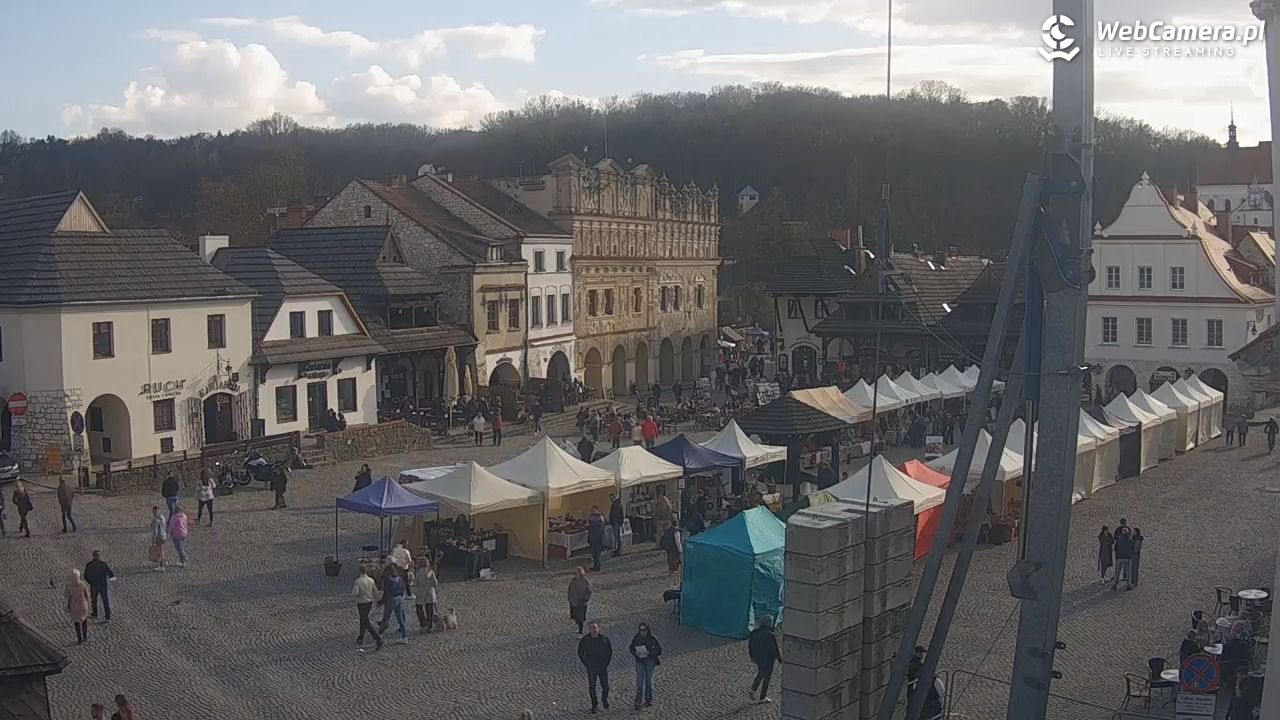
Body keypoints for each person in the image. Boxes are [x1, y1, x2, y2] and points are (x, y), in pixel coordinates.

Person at [577, 621, 613, 714]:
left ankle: (604, 700)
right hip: (591, 666)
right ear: (589, 629)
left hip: (602, 666)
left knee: (605, 686)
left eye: (595, 628)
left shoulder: (604, 639)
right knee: (592, 686)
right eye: (592, 628)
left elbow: (609, 652)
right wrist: (586, 663)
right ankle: (594, 704)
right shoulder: (585, 640)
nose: (594, 630)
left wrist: (606, 662)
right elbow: (581, 652)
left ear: (598, 628)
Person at [628, 622, 662, 710]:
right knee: (640, 683)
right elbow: (631, 647)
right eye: (640, 630)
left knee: (648, 682)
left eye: (644, 630)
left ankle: (648, 700)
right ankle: (638, 702)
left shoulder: (652, 638)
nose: (642, 632)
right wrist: (635, 652)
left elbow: (659, 650)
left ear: (647, 630)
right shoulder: (637, 637)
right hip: (639, 661)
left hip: (649, 661)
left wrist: (650, 652)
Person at [748, 616, 781, 704]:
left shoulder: (754, 632)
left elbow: (750, 645)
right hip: (768, 659)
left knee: (761, 672)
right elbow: (775, 649)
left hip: (758, 657)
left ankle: (753, 689)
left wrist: (752, 656)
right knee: (767, 677)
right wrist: (780, 659)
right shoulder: (770, 635)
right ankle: (762, 696)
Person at [352, 566, 383, 651]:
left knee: (365, 622)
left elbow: (355, 593)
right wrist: (378, 600)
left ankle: (378, 639)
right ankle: (361, 637)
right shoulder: (371, 580)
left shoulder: (358, 581)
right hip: (369, 602)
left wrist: (356, 597)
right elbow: (375, 592)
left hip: (361, 603)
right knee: (363, 619)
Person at [376, 564, 409, 644]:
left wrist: (380, 602)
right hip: (399, 598)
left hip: (391, 599)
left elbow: (386, 593)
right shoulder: (399, 579)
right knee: (400, 618)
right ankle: (404, 637)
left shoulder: (388, 580)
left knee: (386, 618)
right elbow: (402, 590)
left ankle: (379, 637)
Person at [84, 550, 115, 623]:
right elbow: (111, 574)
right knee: (105, 601)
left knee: (94, 600)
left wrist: (90, 582)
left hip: (94, 585)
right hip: (103, 585)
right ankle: (108, 616)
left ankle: (95, 613)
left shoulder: (89, 565)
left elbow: (86, 575)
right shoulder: (103, 564)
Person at [65, 568, 91, 644]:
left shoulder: (69, 585)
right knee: (84, 621)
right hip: (83, 605)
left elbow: (66, 595)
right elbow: (87, 595)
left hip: (74, 605)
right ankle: (85, 637)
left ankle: (79, 639)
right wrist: (88, 603)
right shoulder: (82, 584)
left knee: (76, 622)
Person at [413, 557, 439, 633]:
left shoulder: (418, 572)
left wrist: (416, 592)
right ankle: (430, 625)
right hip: (429, 592)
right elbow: (435, 583)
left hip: (421, 592)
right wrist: (434, 590)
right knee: (429, 609)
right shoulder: (430, 571)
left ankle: (423, 624)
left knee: (419, 608)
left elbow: (416, 584)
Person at [568, 566, 593, 634]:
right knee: (575, 616)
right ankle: (579, 626)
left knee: (580, 617)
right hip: (573, 601)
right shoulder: (574, 580)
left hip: (580, 602)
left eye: (576, 573)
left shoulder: (585, 581)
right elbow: (570, 589)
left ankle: (580, 630)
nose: (575, 574)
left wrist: (585, 599)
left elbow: (589, 591)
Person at [1112, 521, 1133, 591]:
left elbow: (1115, 548)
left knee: (1117, 572)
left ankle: (1115, 585)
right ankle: (1128, 585)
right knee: (1128, 572)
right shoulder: (1129, 540)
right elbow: (1131, 548)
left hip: (1119, 558)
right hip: (1126, 558)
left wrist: (1117, 555)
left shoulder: (1119, 539)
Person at [587, 506, 606, 571]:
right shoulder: (591, 516)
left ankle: (597, 566)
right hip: (592, 537)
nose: (592, 511)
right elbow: (589, 524)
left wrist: (593, 524)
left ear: (597, 510)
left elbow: (602, 526)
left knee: (596, 553)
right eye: (592, 510)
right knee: (594, 553)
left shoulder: (600, 516)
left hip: (597, 538)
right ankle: (595, 566)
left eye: (594, 510)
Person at [148, 505, 167, 571]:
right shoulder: (163, 517)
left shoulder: (155, 519)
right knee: (162, 549)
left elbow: (155, 532)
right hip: (164, 535)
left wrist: (153, 542)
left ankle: (162, 566)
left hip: (159, 537)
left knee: (160, 551)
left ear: (153, 511)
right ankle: (164, 561)